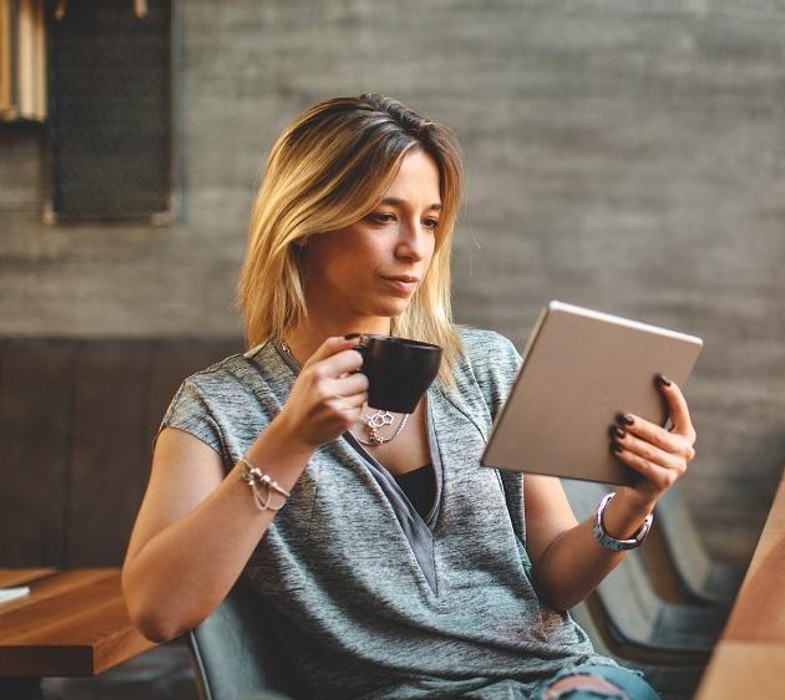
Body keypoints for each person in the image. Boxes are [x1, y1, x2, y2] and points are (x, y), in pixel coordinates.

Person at [122, 94, 698, 700]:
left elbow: (554, 578)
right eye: (381, 217)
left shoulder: (482, 367)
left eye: (429, 220)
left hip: (560, 681)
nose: (415, 248)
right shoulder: (219, 407)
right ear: (304, 226)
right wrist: (289, 441)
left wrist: (633, 502)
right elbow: (159, 610)